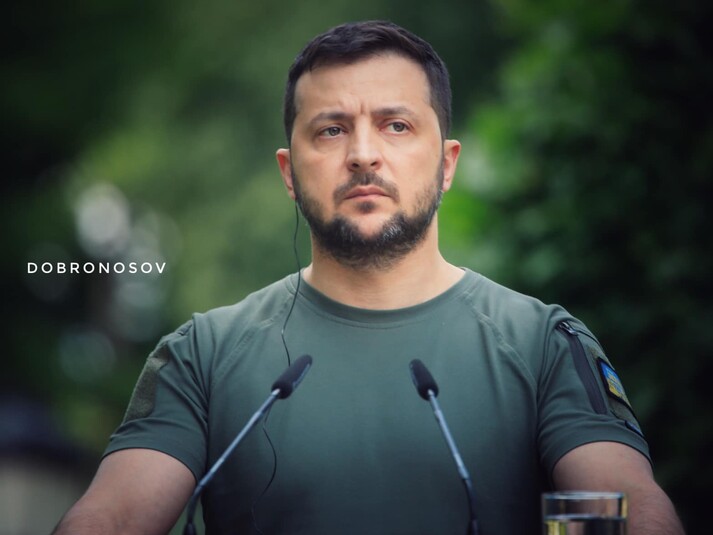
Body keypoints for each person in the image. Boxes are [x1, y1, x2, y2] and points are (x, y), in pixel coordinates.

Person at [53, 20, 684, 535]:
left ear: (447, 163)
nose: (362, 154)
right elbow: (112, 517)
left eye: (396, 125)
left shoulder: (543, 343)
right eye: (331, 130)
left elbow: (626, 510)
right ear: (289, 172)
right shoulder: (202, 355)